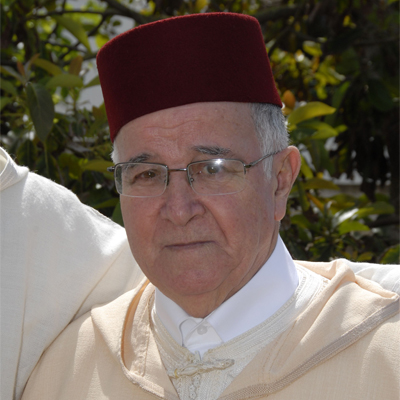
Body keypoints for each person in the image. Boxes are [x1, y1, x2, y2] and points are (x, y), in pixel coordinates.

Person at [1, 12, 398, 400]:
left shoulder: (384, 354)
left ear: (280, 180)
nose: (178, 210)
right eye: (147, 174)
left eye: (212, 169)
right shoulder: (68, 369)